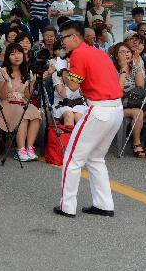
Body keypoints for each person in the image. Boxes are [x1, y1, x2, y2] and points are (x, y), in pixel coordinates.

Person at [53, 20, 124, 219]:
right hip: (116, 109)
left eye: (63, 37)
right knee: (95, 158)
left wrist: (62, 71)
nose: (62, 42)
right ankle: (103, 204)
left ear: (74, 37)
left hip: (99, 110)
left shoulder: (78, 54)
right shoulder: (97, 52)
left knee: (72, 159)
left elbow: (73, 87)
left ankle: (67, 207)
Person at [0, 44, 41, 162]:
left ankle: (29, 148)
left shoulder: (27, 71)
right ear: (8, 57)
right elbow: (2, 96)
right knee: (23, 113)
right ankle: (20, 149)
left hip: (21, 102)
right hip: (6, 103)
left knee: (36, 113)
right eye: (12, 54)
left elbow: (27, 95)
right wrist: (6, 81)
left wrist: (33, 82)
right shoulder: (3, 71)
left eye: (19, 53)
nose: (16, 56)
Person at [110, 42, 146, 159]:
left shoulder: (135, 68)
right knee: (138, 113)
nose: (126, 54)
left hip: (133, 101)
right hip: (117, 105)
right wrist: (124, 69)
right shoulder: (112, 69)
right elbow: (118, 91)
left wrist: (136, 67)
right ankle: (136, 143)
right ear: (116, 56)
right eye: (122, 52)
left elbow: (140, 86)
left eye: (128, 52)